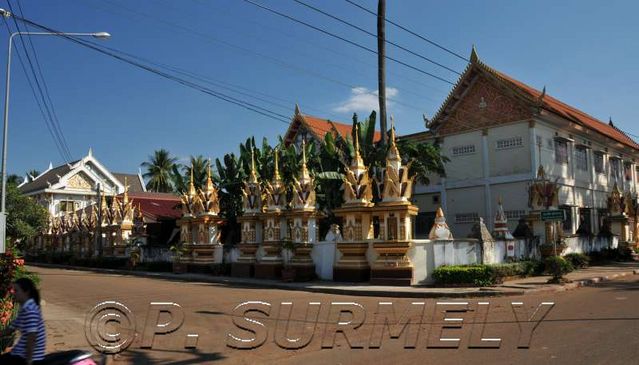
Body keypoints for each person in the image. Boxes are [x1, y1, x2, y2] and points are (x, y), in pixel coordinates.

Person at [0, 278, 46, 365]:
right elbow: (10, 329)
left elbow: (31, 337)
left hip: (28, 357)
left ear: (26, 292)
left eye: (16, 290)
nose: (13, 293)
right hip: (19, 354)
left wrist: (29, 361)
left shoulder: (30, 311)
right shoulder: (25, 308)